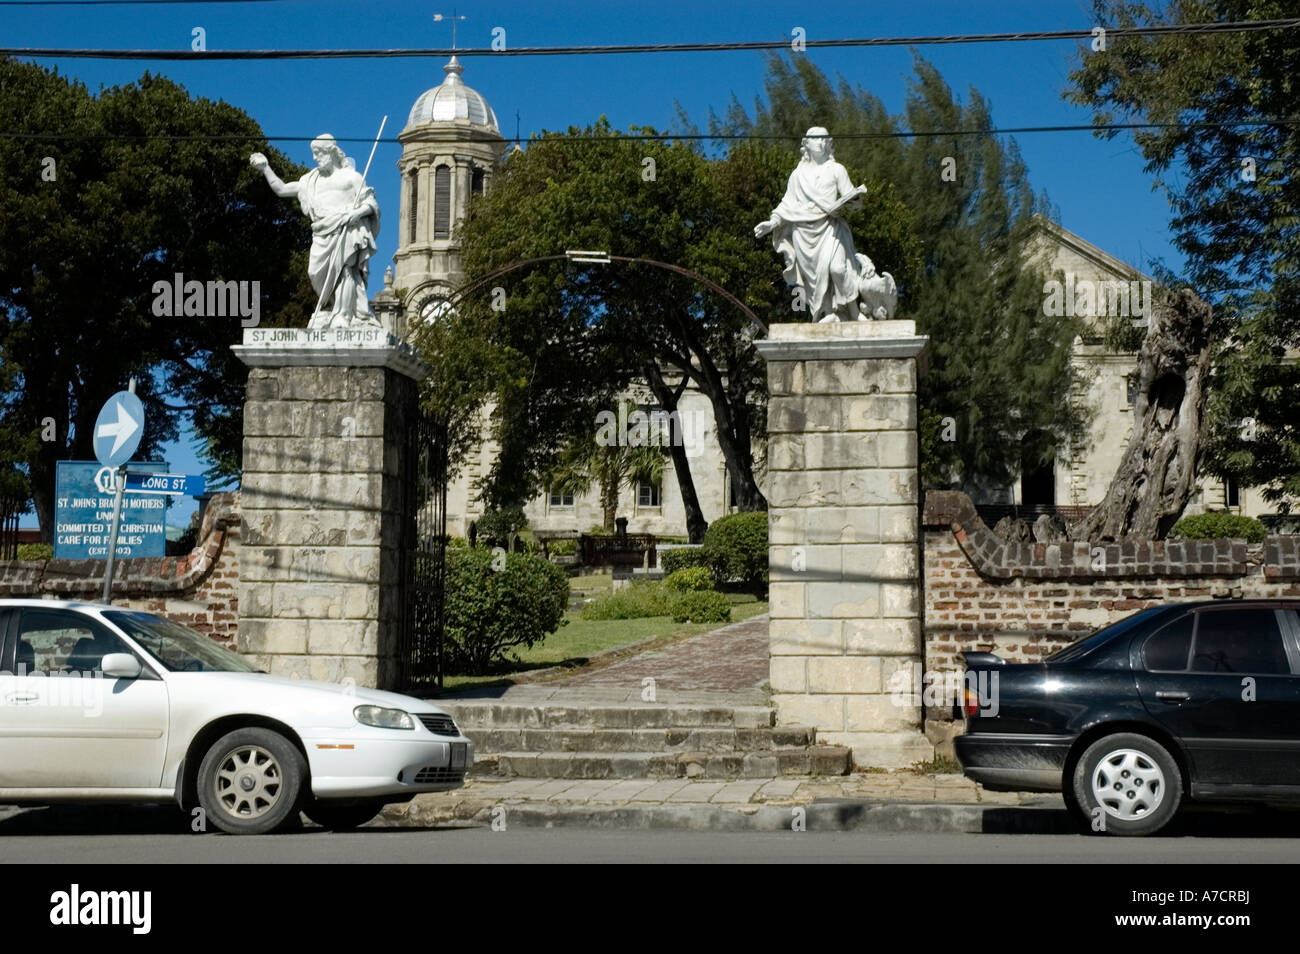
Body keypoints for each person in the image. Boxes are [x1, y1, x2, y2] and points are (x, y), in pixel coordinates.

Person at [250, 136, 381, 329]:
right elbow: (282, 188)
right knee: (314, 272)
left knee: (345, 271)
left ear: (331, 153)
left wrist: (355, 214)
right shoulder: (310, 180)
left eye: (319, 153)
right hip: (322, 233)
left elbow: (371, 204)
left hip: (346, 229)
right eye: (314, 153)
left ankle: (343, 315)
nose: (315, 158)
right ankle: (329, 307)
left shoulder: (351, 177)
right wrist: (265, 168)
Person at [755, 127, 872, 322]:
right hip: (803, 233)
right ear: (806, 144)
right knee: (815, 279)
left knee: (837, 269)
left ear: (828, 143)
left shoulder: (837, 169)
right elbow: (787, 203)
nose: (820, 142)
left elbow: (850, 195)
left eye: (823, 138)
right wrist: (772, 222)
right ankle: (828, 313)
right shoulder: (797, 175)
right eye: (815, 138)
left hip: (830, 228)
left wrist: (855, 202)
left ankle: (853, 311)